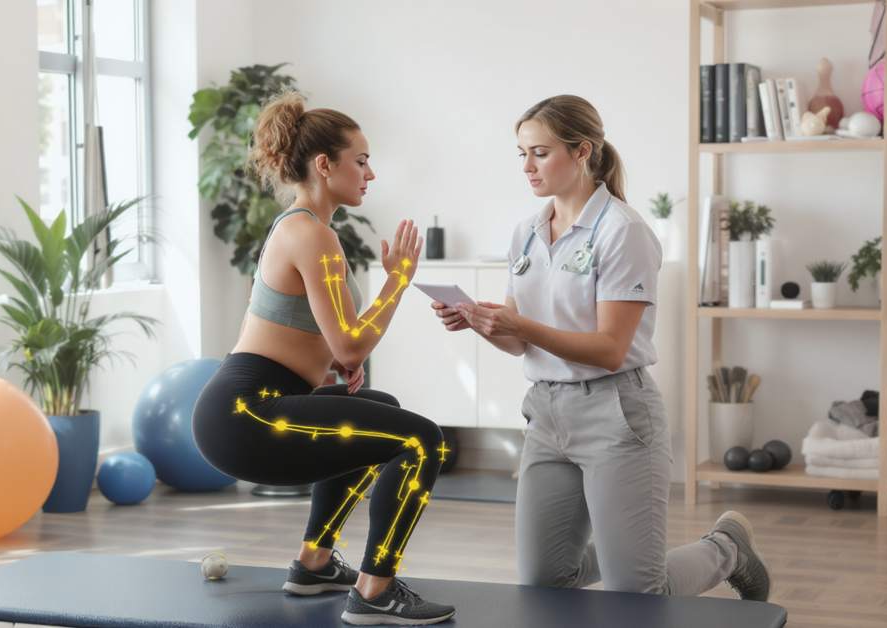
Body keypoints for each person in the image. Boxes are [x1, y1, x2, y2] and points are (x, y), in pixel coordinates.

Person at [432, 95, 773, 601]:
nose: (526, 166)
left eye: (540, 153)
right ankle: (631, 554)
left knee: (637, 592)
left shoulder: (623, 231)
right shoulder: (525, 233)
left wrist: (518, 323)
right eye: (521, 153)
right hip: (546, 415)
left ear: (582, 151)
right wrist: (482, 323)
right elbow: (517, 342)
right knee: (545, 582)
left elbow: (612, 348)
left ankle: (728, 548)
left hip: (617, 414)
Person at [192, 90, 455, 626]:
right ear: (323, 165)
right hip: (247, 413)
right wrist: (398, 282)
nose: (370, 174)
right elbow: (352, 343)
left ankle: (313, 565)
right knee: (421, 439)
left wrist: (333, 360)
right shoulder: (312, 234)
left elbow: (293, 325)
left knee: (380, 405)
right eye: (361, 161)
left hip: (252, 404)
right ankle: (376, 591)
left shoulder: (298, 226)